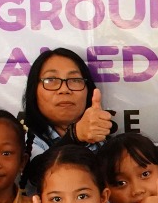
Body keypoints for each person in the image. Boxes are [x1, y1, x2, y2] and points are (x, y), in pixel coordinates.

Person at [18, 47, 113, 180]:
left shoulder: (107, 145)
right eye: (50, 80)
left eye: (75, 80)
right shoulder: (22, 142)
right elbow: (33, 176)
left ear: (88, 91)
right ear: (33, 91)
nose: (64, 89)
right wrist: (75, 135)